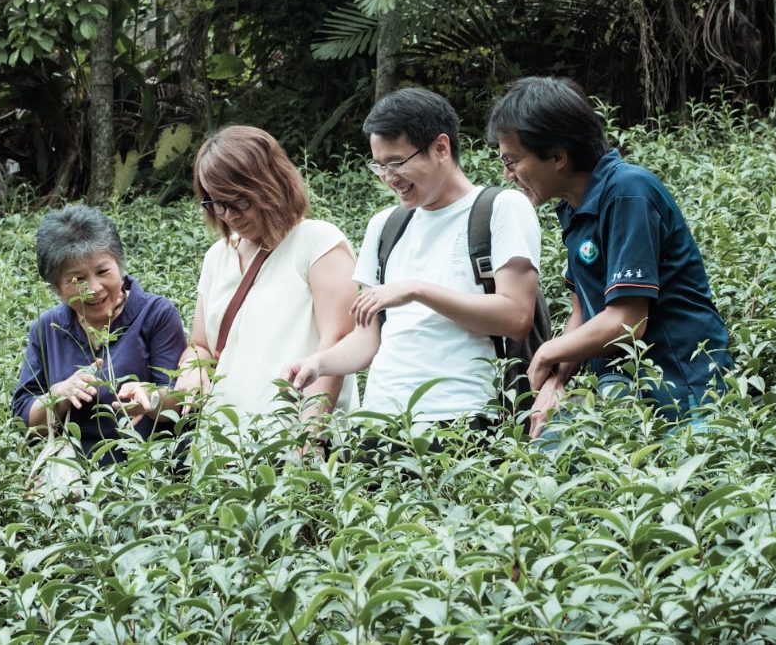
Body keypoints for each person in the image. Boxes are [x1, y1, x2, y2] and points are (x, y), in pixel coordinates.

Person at [285, 88, 542, 437]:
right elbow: (367, 339)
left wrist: (418, 291)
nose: (389, 177)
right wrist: (319, 362)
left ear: (440, 148)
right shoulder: (385, 226)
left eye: (397, 162)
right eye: (379, 165)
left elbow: (515, 317)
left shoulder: (502, 208)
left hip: (464, 422)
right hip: (380, 425)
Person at [486, 76, 731, 438]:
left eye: (512, 159)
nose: (507, 173)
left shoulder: (627, 192)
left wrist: (545, 353)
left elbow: (627, 320)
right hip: (626, 390)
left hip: (685, 388)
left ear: (557, 156)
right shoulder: (575, 207)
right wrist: (556, 379)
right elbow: (583, 311)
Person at [174, 126, 357, 438]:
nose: (229, 215)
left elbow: (336, 346)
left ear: (271, 185)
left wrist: (310, 438)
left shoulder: (318, 243)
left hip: (299, 446)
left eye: (240, 201)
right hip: (224, 453)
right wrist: (193, 371)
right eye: (217, 202)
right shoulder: (218, 257)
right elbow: (201, 344)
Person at [12, 205, 188, 465]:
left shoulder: (156, 314)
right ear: (56, 286)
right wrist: (59, 395)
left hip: (149, 473)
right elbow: (25, 420)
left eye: (103, 271)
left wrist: (148, 397)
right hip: (74, 481)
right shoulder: (47, 328)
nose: (94, 288)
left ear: (119, 265)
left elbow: (181, 402)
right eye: (77, 279)